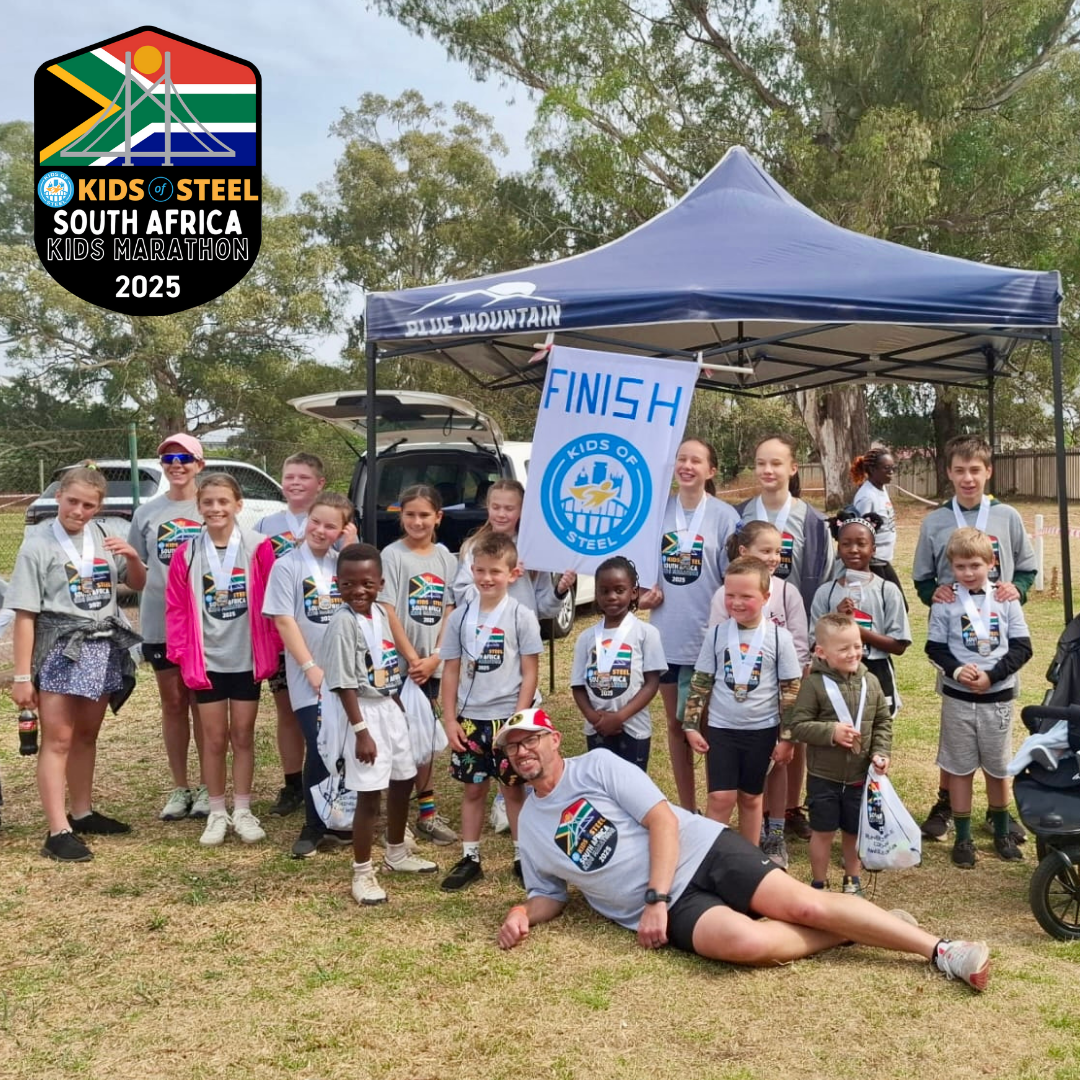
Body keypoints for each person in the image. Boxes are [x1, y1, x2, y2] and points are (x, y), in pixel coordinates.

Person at [495, 707, 991, 992]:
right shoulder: (532, 825)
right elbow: (551, 895)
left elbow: (663, 820)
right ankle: (862, 925)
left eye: (531, 740)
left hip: (699, 851)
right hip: (678, 905)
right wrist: (524, 910)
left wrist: (655, 900)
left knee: (802, 903)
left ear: (554, 739)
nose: (523, 752)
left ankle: (942, 950)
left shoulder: (598, 766)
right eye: (513, 748)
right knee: (748, 945)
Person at [8, 465, 146, 862]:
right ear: (58, 498)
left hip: (100, 645)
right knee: (59, 739)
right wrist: (21, 676)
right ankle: (57, 830)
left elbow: (136, 584)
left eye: (89, 505)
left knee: (87, 735)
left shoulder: (105, 538)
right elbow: (25, 615)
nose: (79, 511)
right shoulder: (37, 544)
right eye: (73, 502)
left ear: (99, 507)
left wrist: (134, 557)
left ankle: (82, 812)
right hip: (60, 647)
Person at [912, 435, 1036, 843]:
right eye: (959, 470)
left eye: (975, 470)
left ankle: (999, 816)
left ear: (988, 472)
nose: (968, 478)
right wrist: (936, 594)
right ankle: (947, 803)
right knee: (956, 732)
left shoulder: (1008, 516)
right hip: (955, 644)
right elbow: (923, 577)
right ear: (948, 473)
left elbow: (1028, 568)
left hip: (997, 638)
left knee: (995, 741)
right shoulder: (935, 521)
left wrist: (1016, 587)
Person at [317, 543, 438, 905]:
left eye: (367, 584)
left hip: (388, 704)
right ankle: (362, 872)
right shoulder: (342, 623)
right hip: (362, 714)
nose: (358, 591)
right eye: (349, 584)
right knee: (369, 793)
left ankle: (397, 851)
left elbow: (387, 660)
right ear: (337, 584)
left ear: (380, 583)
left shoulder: (382, 614)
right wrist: (360, 732)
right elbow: (343, 683)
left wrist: (397, 701)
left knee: (403, 778)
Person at [165, 473, 281, 847]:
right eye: (209, 502)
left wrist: (273, 647)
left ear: (238, 505)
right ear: (199, 506)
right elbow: (176, 609)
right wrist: (183, 657)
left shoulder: (258, 547)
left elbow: (273, 602)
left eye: (223, 502)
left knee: (243, 735)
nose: (216, 509)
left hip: (245, 658)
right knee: (213, 739)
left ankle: (243, 809)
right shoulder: (187, 553)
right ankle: (217, 811)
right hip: (207, 660)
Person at [737, 433, 834, 843]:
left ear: (793, 468)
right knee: (755, 726)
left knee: (793, 727)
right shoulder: (741, 515)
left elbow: (823, 580)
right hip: (747, 644)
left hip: (793, 642)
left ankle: (792, 806)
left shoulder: (810, 520)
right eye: (761, 463)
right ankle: (755, 807)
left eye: (777, 463)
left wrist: (809, 645)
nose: (768, 470)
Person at [638, 437, 740, 813]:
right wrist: (641, 594)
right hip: (666, 637)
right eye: (681, 459)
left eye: (696, 460)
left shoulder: (725, 517)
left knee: (709, 728)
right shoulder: (656, 513)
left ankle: (715, 807)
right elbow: (638, 569)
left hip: (708, 642)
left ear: (710, 471)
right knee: (676, 727)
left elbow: (736, 581)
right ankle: (687, 808)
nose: (687, 466)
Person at [439, 532, 544, 890]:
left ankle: (521, 855)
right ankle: (470, 857)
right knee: (472, 790)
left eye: (495, 572)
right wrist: (449, 718)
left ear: (512, 574)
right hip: (470, 721)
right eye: (480, 570)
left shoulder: (521, 616)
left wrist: (517, 721)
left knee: (513, 790)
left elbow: (530, 670)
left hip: (506, 718)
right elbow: (450, 669)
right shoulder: (459, 617)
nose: (487, 578)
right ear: (470, 569)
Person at [925, 527, 1033, 867]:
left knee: (998, 770)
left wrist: (992, 675)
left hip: (997, 700)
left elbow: (1022, 647)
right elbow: (935, 647)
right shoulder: (945, 601)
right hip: (958, 699)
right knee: (959, 769)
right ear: (951, 568)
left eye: (974, 565)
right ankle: (963, 837)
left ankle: (1001, 832)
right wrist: (958, 671)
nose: (968, 573)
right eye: (960, 567)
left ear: (991, 563)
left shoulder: (1005, 599)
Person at [256, 452, 354, 819]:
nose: (319, 530)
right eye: (315, 522)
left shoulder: (340, 556)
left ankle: (342, 809)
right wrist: (309, 665)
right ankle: (306, 805)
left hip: (338, 664)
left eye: (330, 527)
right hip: (298, 657)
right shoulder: (279, 548)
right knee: (308, 730)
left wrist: (349, 545)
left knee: (338, 735)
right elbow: (280, 613)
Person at [709, 521, 809, 868]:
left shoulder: (787, 593)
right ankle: (710, 856)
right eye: (764, 550)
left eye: (777, 551)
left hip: (769, 709)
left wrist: (789, 726)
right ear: (743, 552)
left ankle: (774, 833)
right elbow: (716, 653)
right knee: (725, 793)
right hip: (728, 714)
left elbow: (798, 646)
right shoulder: (725, 597)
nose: (772, 557)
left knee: (771, 774)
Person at [682, 556, 802, 848]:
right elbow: (701, 682)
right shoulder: (716, 635)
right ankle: (708, 858)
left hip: (762, 730)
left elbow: (790, 691)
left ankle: (749, 863)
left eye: (746, 596)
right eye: (729, 595)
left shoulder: (779, 638)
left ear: (765, 597)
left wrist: (787, 738)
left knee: (751, 798)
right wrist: (691, 725)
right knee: (719, 797)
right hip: (722, 728)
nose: (735, 602)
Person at [128, 434, 208, 822]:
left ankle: (210, 786)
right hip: (161, 621)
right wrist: (130, 561)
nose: (176, 465)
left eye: (185, 458)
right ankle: (181, 787)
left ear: (199, 465)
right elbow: (138, 579)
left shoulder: (210, 507)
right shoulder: (146, 513)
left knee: (202, 706)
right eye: (168, 458)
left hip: (205, 624)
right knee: (173, 703)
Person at [379, 484, 459, 845]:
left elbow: (449, 610)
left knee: (425, 739)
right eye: (410, 514)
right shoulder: (392, 556)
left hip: (432, 666)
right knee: (397, 739)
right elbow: (388, 609)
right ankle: (393, 818)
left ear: (438, 517)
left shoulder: (446, 558)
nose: (417, 521)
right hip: (399, 666)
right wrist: (413, 659)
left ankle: (427, 812)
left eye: (425, 514)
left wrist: (436, 657)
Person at [790, 613, 893, 894]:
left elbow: (883, 720)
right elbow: (798, 726)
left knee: (853, 831)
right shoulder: (814, 685)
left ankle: (852, 880)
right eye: (844, 648)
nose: (853, 653)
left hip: (860, 775)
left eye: (857, 646)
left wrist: (881, 752)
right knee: (822, 832)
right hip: (825, 776)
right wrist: (830, 732)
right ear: (822, 652)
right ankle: (819, 884)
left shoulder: (870, 682)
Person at [570, 556, 665, 772]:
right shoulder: (586, 638)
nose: (611, 596)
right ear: (596, 593)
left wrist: (620, 717)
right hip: (597, 729)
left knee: (633, 791)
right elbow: (577, 687)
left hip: (633, 728)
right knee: (601, 788)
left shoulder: (646, 634)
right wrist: (595, 718)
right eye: (604, 591)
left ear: (633, 592)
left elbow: (651, 684)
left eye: (619, 590)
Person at [811, 511, 910, 716]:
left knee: (877, 732)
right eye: (846, 544)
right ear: (838, 549)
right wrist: (837, 622)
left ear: (873, 549)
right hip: (833, 673)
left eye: (861, 543)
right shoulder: (825, 593)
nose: (853, 550)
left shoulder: (887, 591)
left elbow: (899, 645)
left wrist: (858, 632)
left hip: (877, 670)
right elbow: (815, 643)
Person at [850, 447, 898, 566]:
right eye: (886, 468)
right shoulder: (867, 497)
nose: (891, 472)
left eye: (893, 468)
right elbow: (858, 532)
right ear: (872, 470)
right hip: (873, 561)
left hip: (884, 559)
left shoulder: (881, 488)